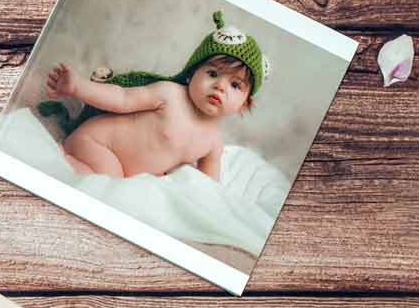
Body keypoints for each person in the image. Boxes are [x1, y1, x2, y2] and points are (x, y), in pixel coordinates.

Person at [43, 11, 267, 181]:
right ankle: (58, 160)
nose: (220, 86)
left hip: (124, 172)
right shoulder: (170, 94)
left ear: (243, 105)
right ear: (192, 73)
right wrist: (77, 87)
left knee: (119, 189)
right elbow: (121, 98)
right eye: (212, 73)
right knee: (108, 181)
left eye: (235, 84)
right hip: (96, 144)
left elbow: (207, 189)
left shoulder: (213, 143)